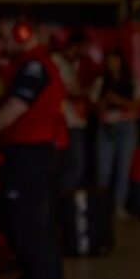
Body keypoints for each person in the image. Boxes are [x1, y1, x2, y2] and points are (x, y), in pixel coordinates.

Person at [0, 17, 71, 279]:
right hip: (31, 156)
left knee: (32, 231)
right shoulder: (27, 64)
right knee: (28, 227)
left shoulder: (34, 67)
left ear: (22, 34)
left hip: (30, 157)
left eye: (4, 34)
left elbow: (14, 110)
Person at [92, 47, 140, 220]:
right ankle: (102, 205)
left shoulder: (133, 81)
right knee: (103, 169)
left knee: (123, 168)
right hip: (107, 126)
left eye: (116, 60)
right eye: (110, 60)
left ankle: (119, 204)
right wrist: (104, 102)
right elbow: (95, 105)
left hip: (127, 126)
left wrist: (117, 100)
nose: (113, 64)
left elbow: (137, 104)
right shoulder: (101, 82)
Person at [51, 30, 92, 190]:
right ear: (76, 46)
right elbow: (61, 91)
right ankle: (61, 202)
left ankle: (65, 204)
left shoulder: (75, 64)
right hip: (63, 122)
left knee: (75, 164)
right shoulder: (56, 61)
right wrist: (86, 92)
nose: (86, 52)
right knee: (72, 164)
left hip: (77, 120)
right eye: (85, 48)